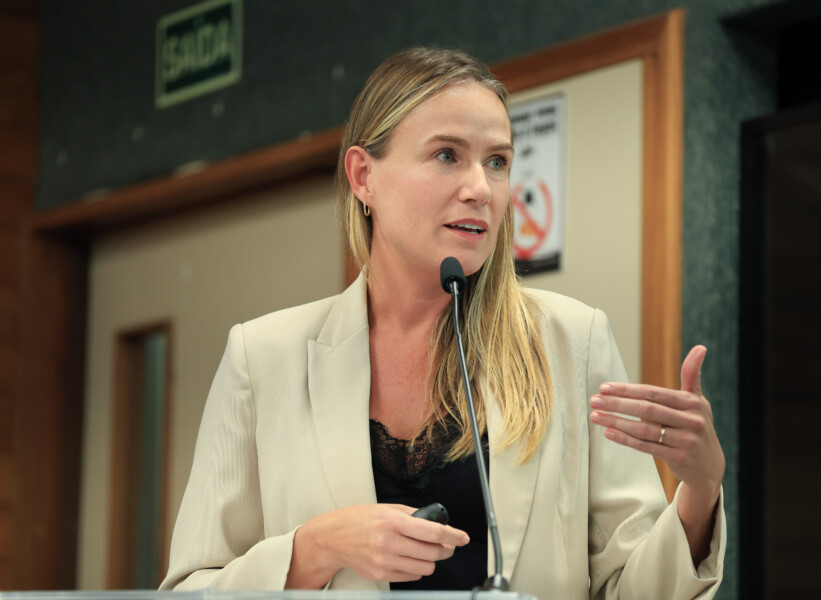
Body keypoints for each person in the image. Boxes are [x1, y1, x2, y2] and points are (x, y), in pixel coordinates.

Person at [160, 46, 726, 599]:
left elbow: (631, 591)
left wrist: (699, 491)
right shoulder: (262, 358)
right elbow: (189, 590)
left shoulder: (571, 341)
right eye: (447, 155)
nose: (480, 189)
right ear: (363, 176)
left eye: (497, 162)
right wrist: (313, 550)